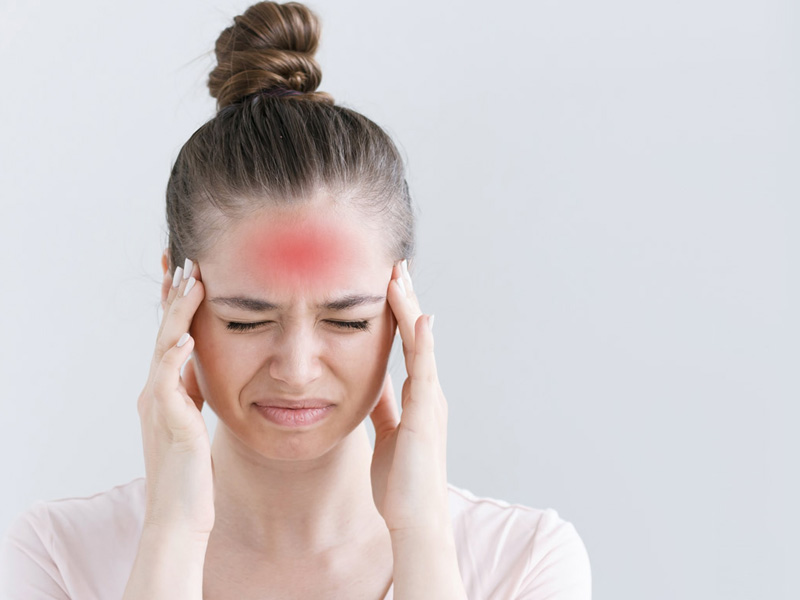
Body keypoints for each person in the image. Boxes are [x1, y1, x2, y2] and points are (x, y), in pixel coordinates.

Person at [0, 2, 591, 598]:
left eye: (347, 320)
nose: (298, 370)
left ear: (400, 310)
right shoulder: (57, 556)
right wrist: (172, 532)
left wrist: (422, 534)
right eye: (245, 321)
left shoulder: (526, 562)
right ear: (174, 296)